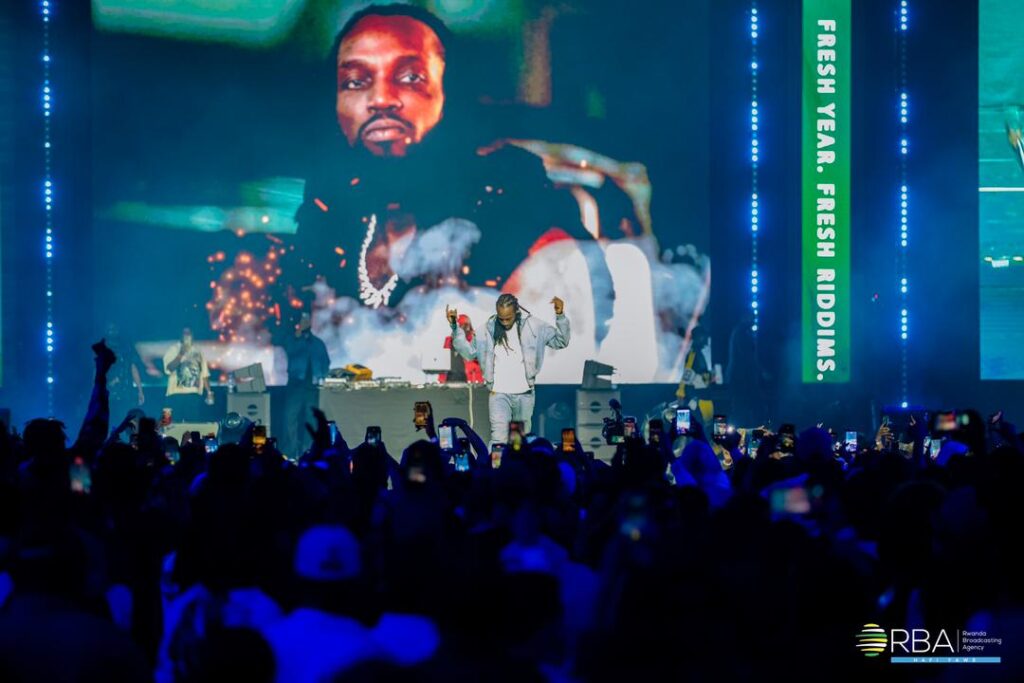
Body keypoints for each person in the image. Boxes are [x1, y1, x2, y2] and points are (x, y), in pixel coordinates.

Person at [290, 3, 591, 311]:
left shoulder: (509, 199)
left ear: (450, 95)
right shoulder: (331, 214)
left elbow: (573, 319)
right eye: (355, 81)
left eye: (411, 77)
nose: (380, 99)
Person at [447, 293, 569, 445]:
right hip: (499, 394)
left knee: (519, 442)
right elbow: (469, 353)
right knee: (499, 440)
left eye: (508, 318)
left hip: (524, 394)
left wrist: (560, 315)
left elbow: (561, 341)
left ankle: (517, 461)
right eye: (501, 318)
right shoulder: (486, 330)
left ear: (516, 311)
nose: (504, 322)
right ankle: (496, 461)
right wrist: (455, 328)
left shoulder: (534, 326)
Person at [283, 312, 331, 457]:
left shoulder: (318, 343)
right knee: (290, 417)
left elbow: (325, 361)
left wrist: (322, 376)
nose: (305, 322)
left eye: (307, 320)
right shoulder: (293, 340)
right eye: (303, 320)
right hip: (295, 385)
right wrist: (297, 335)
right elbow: (290, 351)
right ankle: (291, 450)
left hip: (312, 387)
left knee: (311, 418)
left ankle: (308, 449)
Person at [161, 327, 213, 422]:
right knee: (169, 424)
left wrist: (209, 392)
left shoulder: (198, 351)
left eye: (189, 333)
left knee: (193, 426)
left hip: (193, 394)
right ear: (180, 335)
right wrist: (181, 354)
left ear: (193, 335)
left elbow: (204, 374)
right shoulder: (173, 349)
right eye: (184, 333)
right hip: (174, 394)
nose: (187, 335)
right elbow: (169, 369)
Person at [440, 314, 483, 384]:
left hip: (472, 379)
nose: (468, 329)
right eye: (465, 325)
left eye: (469, 325)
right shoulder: (449, 340)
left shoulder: (476, 339)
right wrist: (441, 379)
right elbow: (444, 360)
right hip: (452, 378)